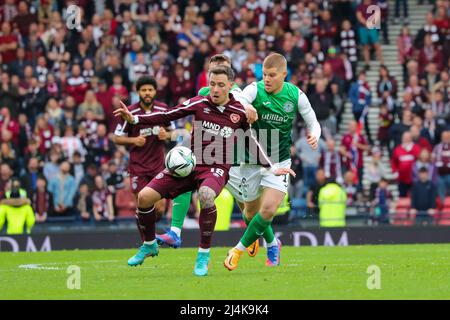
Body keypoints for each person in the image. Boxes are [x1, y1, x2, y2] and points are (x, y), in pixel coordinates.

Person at [114, 65, 293, 276]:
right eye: (212, 84)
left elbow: (251, 143)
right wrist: (135, 119)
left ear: (231, 87)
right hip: (190, 163)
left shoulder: (239, 113)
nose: (215, 89)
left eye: (220, 85)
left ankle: (203, 256)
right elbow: (168, 114)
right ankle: (150, 244)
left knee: (207, 196)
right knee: (144, 197)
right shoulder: (200, 102)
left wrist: (272, 167)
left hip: (216, 167)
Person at [224, 53, 320, 271]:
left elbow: (313, 121)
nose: (266, 79)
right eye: (264, 74)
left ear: (284, 75)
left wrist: (315, 134)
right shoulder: (255, 89)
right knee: (250, 215)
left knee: (268, 210)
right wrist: (245, 107)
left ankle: (236, 250)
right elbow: (237, 100)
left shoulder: (295, 95)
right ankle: (272, 242)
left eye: (272, 75)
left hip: (279, 163)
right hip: (251, 161)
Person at [112, 76, 192, 245]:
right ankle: (147, 242)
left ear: (155, 91)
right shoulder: (130, 112)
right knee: (143, 205)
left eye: (150, 90)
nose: (147, 93)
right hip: (138, 167)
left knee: (160, 207)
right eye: (143, 90)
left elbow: (175, 133)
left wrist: (167, 135)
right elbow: (116, 137)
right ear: (138, 92)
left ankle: (151, 236)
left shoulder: (163, 109)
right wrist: (134, 140)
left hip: (158, 166)